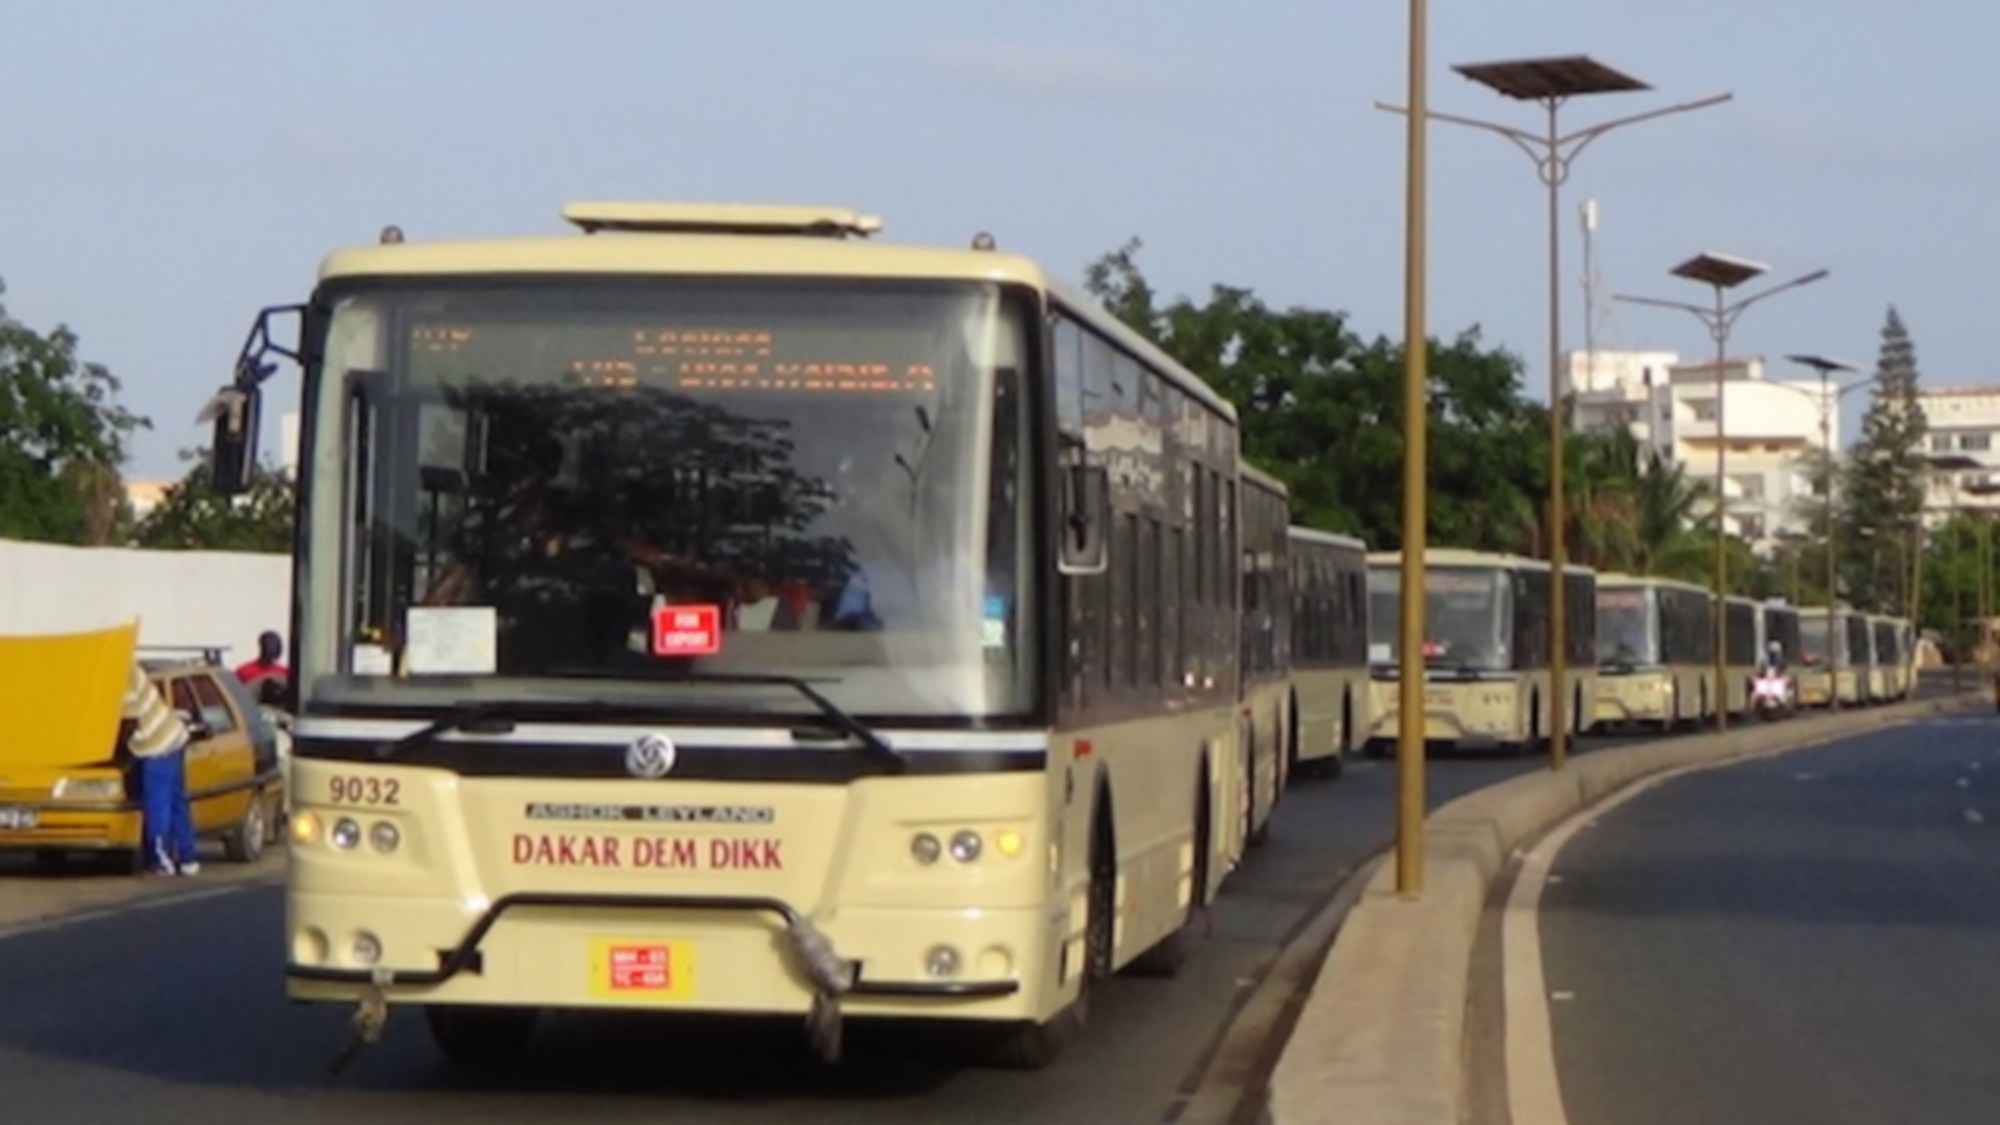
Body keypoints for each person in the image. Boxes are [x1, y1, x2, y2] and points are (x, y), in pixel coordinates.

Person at [123, 663, 198, 876]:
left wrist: (121, 757)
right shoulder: (131, 668)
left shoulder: (121, 678)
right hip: (173, 734)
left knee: (158, 804)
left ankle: (160, 860)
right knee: (176, 801)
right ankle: (187, 858)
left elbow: (128, 724)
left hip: (156, 744)